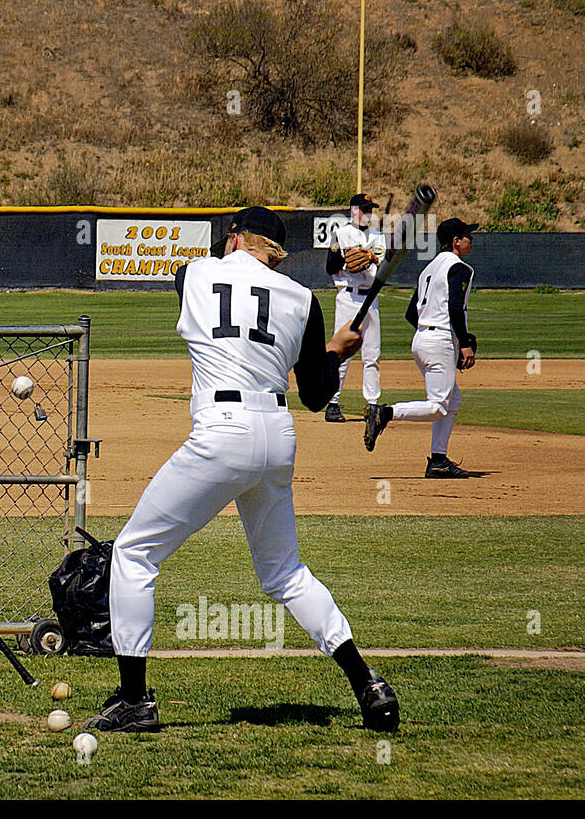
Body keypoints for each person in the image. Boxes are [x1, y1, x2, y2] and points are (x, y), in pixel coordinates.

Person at [87, 207, 400, 734]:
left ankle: (135, 700)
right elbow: (318, 394)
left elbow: (215, 292)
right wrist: (333, 349)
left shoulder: (196, 272)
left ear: (234, 239)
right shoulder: (302, 298)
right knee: (286, 574)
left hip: (220, 430)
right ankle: (368, 683)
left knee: (135, 553)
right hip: (276, 436)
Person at [363, 218, 478, 478]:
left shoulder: (428, 269)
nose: (472, 239)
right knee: (438, 406)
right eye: (467, 235)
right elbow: (455, 307)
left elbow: (410, 313)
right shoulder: (459, 267)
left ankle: (438, 459)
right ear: (456, 241)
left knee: (453, 400)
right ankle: (385, 413)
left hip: (422, 339)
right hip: (439, 340)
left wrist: (431, 335)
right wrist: (464, 343)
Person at [323, 193, 387, 423]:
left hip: (370, 298)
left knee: (372, 354)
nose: (368, 213)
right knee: (342, 353)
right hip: (348, 298)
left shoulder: (379, 237)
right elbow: (330, 268)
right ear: (353, 210)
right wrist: (345, 259)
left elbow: (381, 265)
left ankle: (372, 405)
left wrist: (369, 256)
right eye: (364, 209)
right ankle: (332, 403)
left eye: (370, 209)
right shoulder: (340, 234)